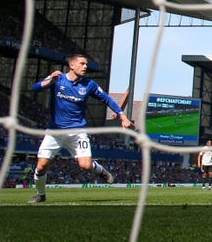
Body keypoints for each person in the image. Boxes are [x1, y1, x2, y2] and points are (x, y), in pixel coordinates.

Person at [28, 53, 133, 203]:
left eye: (86, 64)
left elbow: (107, 99)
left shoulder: (89, 84)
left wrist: (122, 116)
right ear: (72, 65)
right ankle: (40, 194)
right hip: (55, 132)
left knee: (84, 165)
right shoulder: (58, 79)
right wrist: (49, 80)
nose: (85, 66)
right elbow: (34, 88)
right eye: (82, 64)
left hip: (77, 132)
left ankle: (100, 170)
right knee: (41, 166)